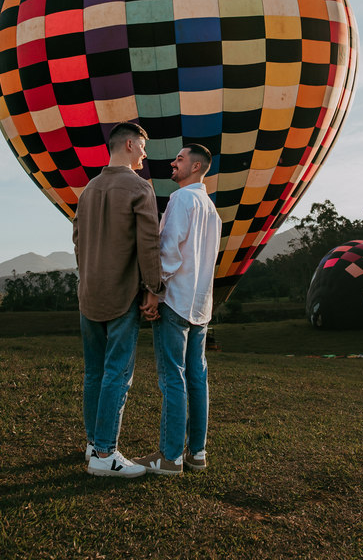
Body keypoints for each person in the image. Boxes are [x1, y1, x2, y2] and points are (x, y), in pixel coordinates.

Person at [73, 121, 162, 478]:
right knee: (117, 374)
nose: (145, 153)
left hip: (88, 293)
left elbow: (78, 239)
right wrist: (154, 286)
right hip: (122, 294)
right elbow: (149, 242)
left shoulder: (89, 190)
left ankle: (94, 444)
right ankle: (106, 454)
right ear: (128, 144)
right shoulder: (140, 188)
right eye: (142, 146)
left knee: (94, 372)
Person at [136, 143, 221, 476]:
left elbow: (168, 251)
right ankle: (196, 453)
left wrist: (155, 290)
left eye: (180, 159)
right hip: (200, 304)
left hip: (175, 301)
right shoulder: (211, 209)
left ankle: (170, 457)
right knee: (197, 378)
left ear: (197, 167)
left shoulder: (182, 199)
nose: (173, 162)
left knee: (173, 377)